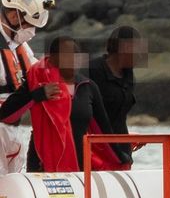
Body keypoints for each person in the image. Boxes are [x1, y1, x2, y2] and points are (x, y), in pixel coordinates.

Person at [0, 36, 131, 172]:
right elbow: (6, 114)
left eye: (76, 54)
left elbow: (103, 132)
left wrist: (123, 157)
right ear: (52, 58)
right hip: (42, 167)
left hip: (78, 168)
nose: (73, 59)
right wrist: (38, 94)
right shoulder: (37, 81)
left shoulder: (88, 87)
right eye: (67, 54)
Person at [0, 0, 50, 175]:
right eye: (30, 26)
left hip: (11, 129)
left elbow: (36, 69)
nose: (32, 32)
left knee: (13, 180)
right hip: (3, 125)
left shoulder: (18, 45)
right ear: (14, 17)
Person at [89, 26, 146, 161]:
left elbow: (119, 117)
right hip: (95, 151)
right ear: (126, 47)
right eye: (137, 49)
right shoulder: (92, 70)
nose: (140, 55)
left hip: (122, 149)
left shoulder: (128, 75)